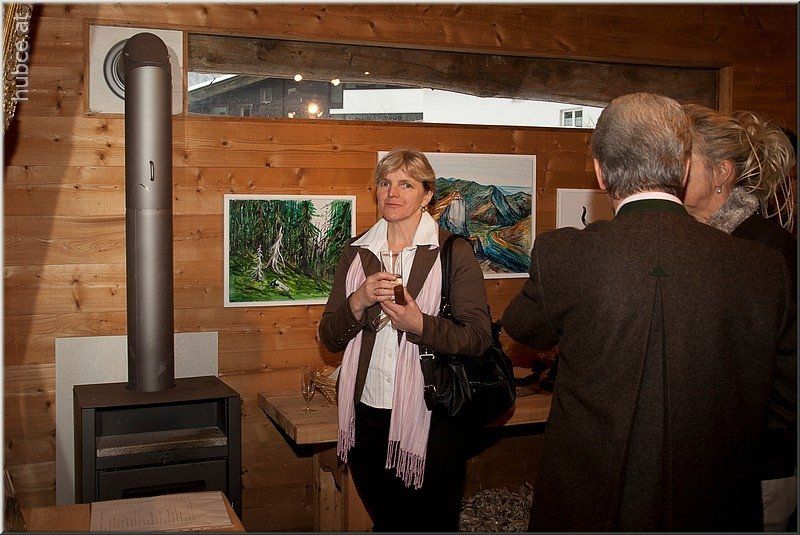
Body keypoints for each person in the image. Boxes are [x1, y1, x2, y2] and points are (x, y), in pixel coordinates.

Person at [501, 93, 796, 531]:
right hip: (715, 497)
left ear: (601, 173)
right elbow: (787, 399)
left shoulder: (565, 253)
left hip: (592, 495)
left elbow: (521, 327)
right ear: (682, 167)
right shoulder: (763, 264)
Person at [318, 148, 492, 531]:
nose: (392, 192)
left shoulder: (453, 251)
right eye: (385, 182)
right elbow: (329, 337)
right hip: (366, 417)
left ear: (427, 195)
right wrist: (357, 301)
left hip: (431, 418)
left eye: (406, 184)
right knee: (388, 523)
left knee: (432, 526)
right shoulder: (357, 251)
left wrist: (421, 325)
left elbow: (478, 337)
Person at [683, 104, 797, 531]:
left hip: (758, 467)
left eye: (684, 158)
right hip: (707, 463)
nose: (671, 169)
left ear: (722, 173)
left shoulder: (766, 249)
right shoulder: (693, 242)